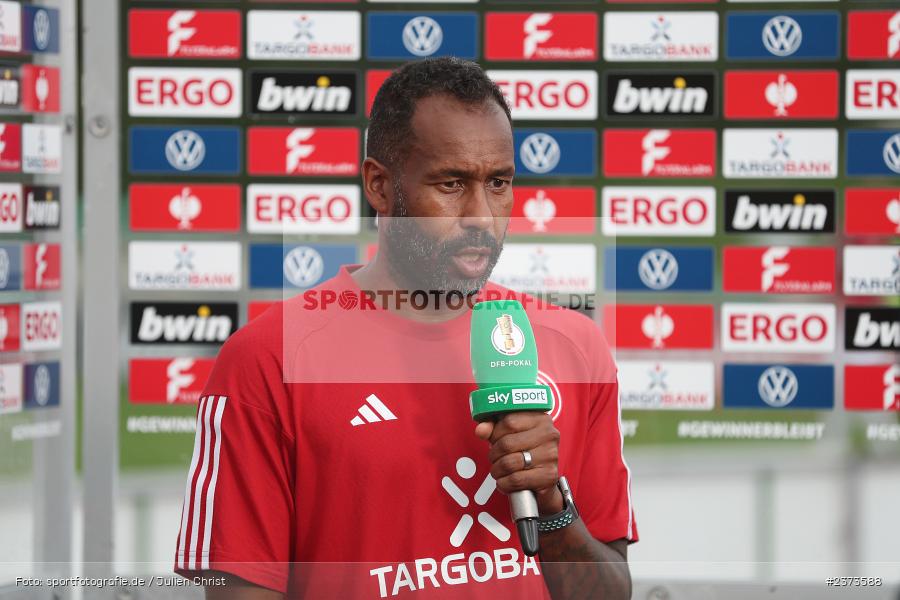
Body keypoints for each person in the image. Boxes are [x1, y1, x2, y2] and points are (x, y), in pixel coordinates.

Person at [174, 57, 636, 599]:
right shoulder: (269, 359)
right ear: (378, 185)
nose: (481, 216)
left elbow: (609, 593)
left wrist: (553, 507)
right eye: (451, 183)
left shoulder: (574, 348)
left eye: (499, 183)